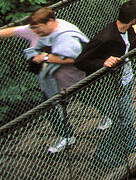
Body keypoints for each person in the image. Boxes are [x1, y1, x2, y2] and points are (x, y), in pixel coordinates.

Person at [2, 8, 97, 153]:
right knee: (50, 109)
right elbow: (13, 31)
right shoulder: (35, 29)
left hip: (74, 78)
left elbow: (76, 57)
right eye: (33, 29)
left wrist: (45, 58)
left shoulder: (65, 34)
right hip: (50, 82)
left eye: (38, 28)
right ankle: (66, 136)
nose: (36, 32)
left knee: (91, 99)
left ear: (50, 22)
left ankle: (109, 117)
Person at [75, 0, 136, 168]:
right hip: (104, 89)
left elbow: (127, 46)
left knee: (126, 114)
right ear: (134, 19)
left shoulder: (128, 30)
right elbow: (80, 62)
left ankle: (130, 143)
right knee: (121, 119)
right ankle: (102, 154)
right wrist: (103, 63)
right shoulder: (104, 38)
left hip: (123, 80)